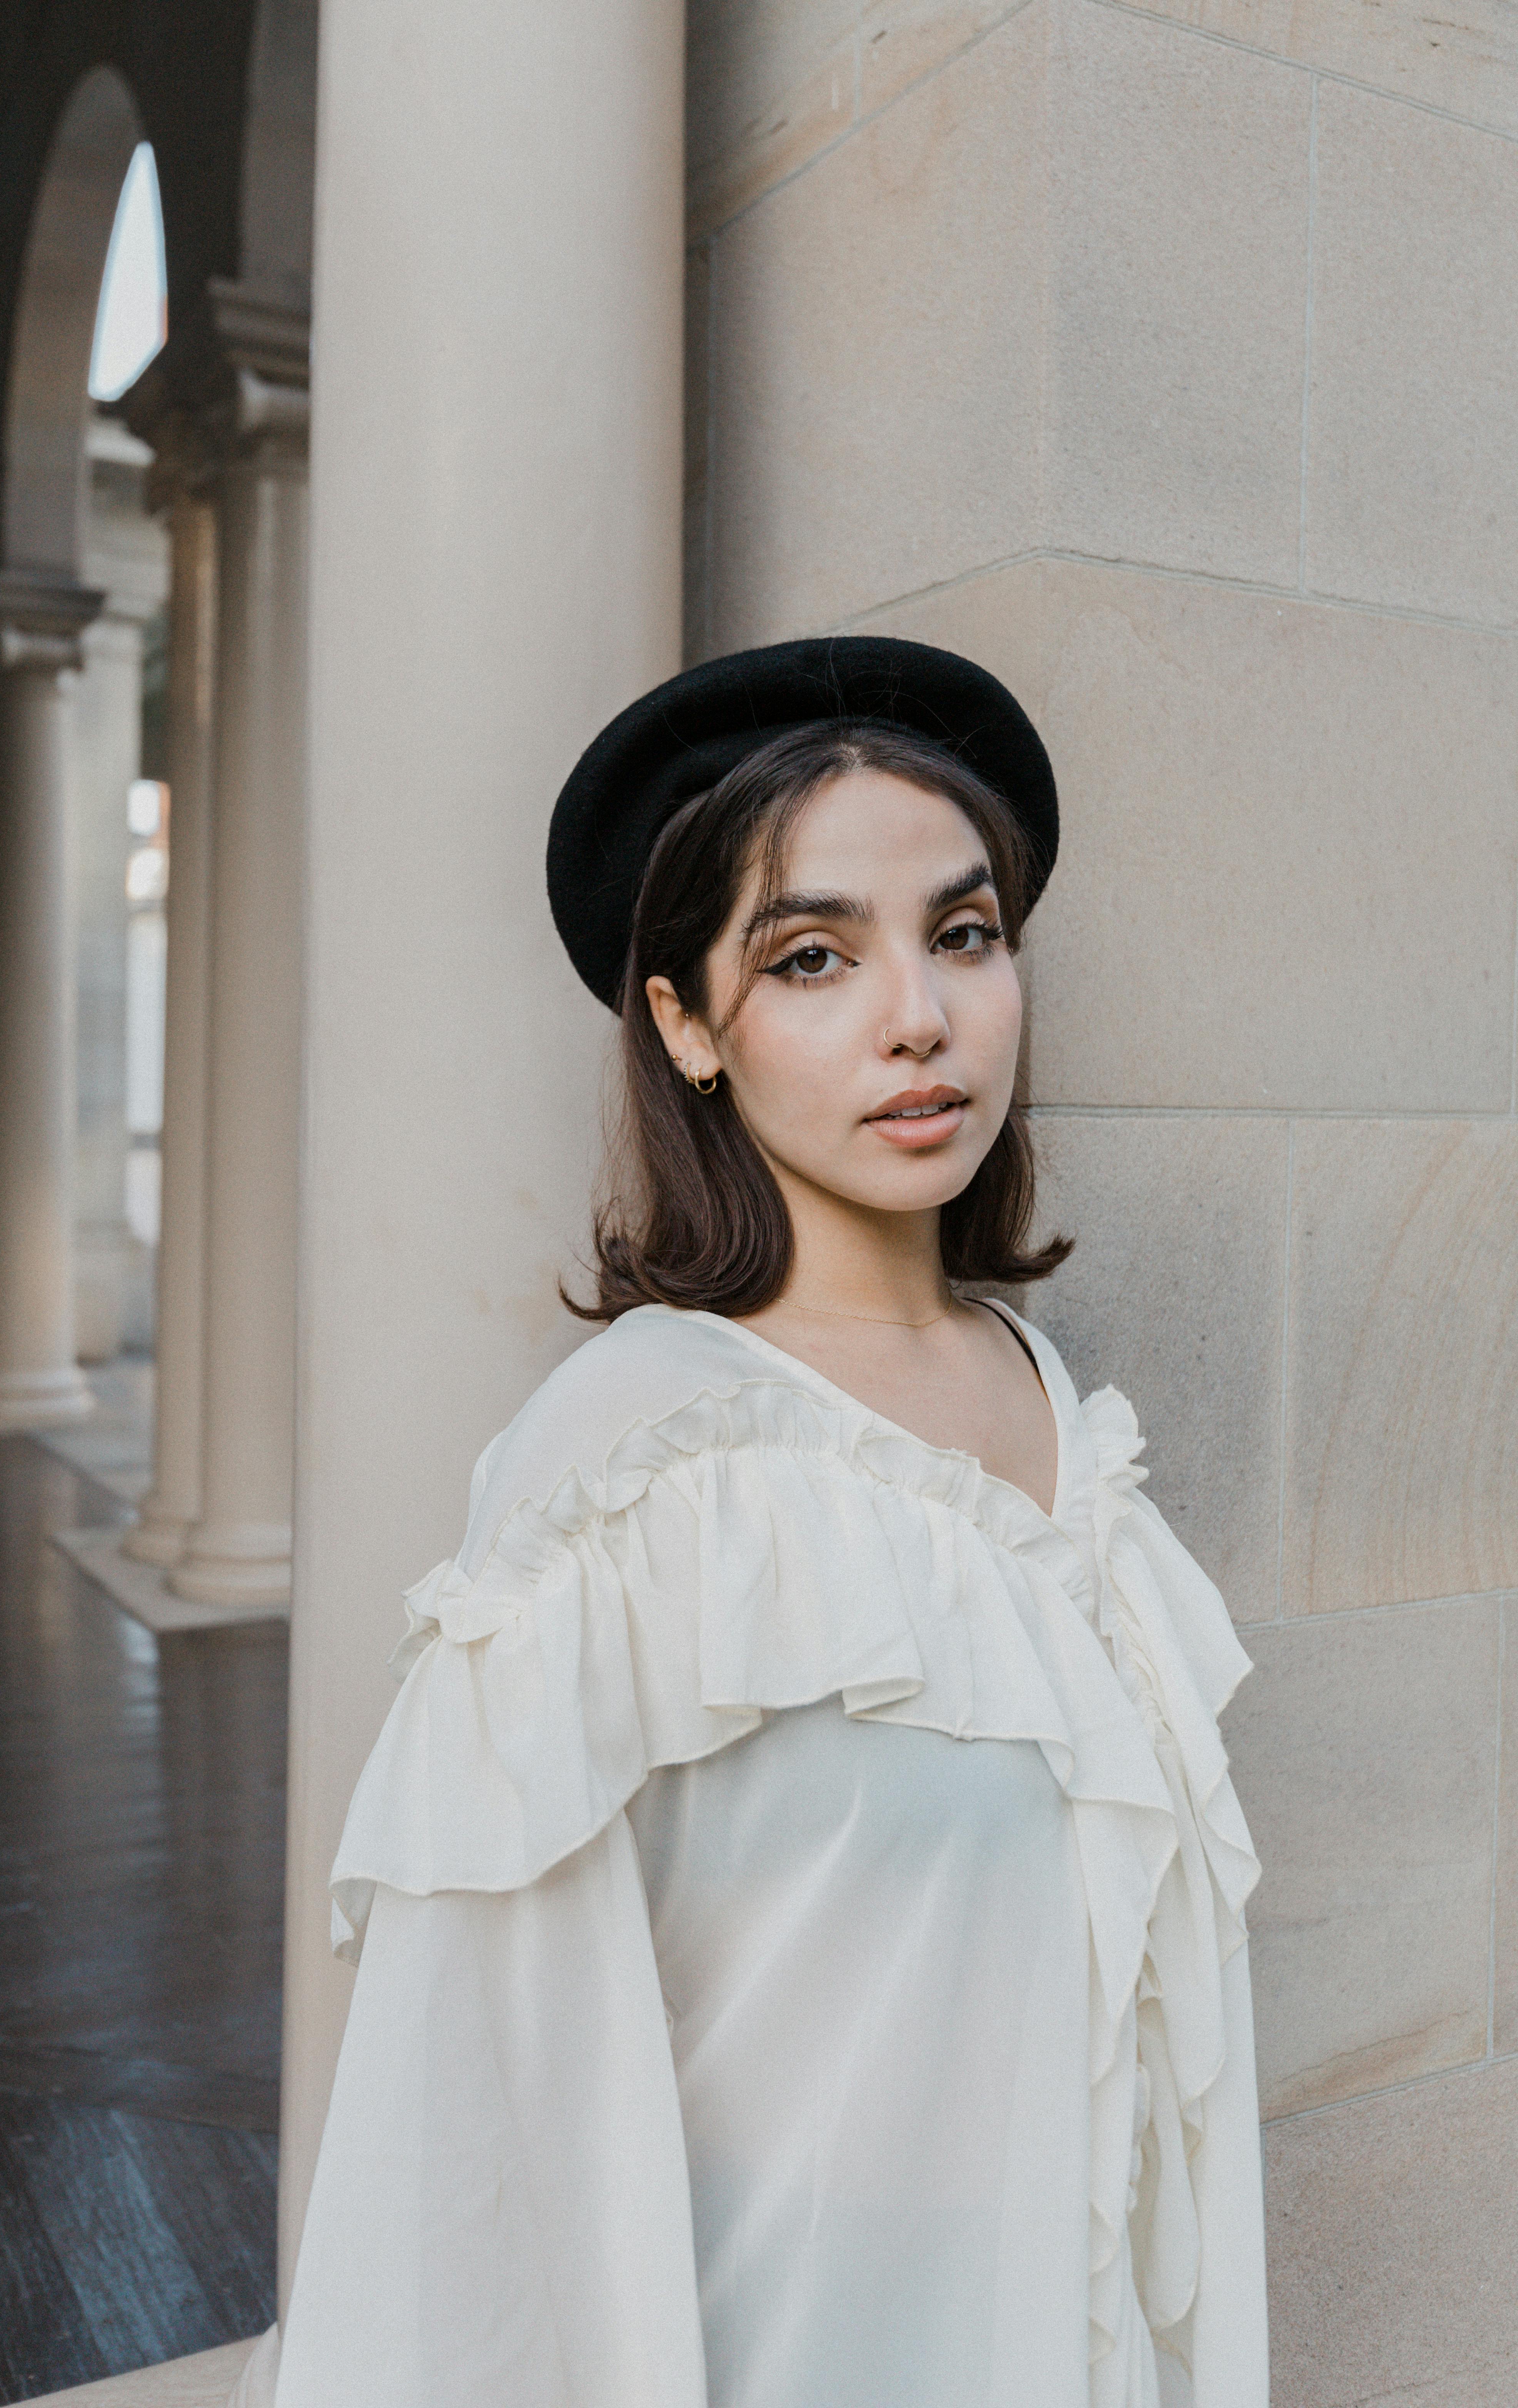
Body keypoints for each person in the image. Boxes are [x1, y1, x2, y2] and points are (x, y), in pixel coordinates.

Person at [242, 637, 1267, 2408]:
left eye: (961, 935)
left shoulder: (1051, 1407)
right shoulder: (636, 1467)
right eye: (810, 959)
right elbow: (479, 2117)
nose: (917, 1019)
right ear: (686, 1025)